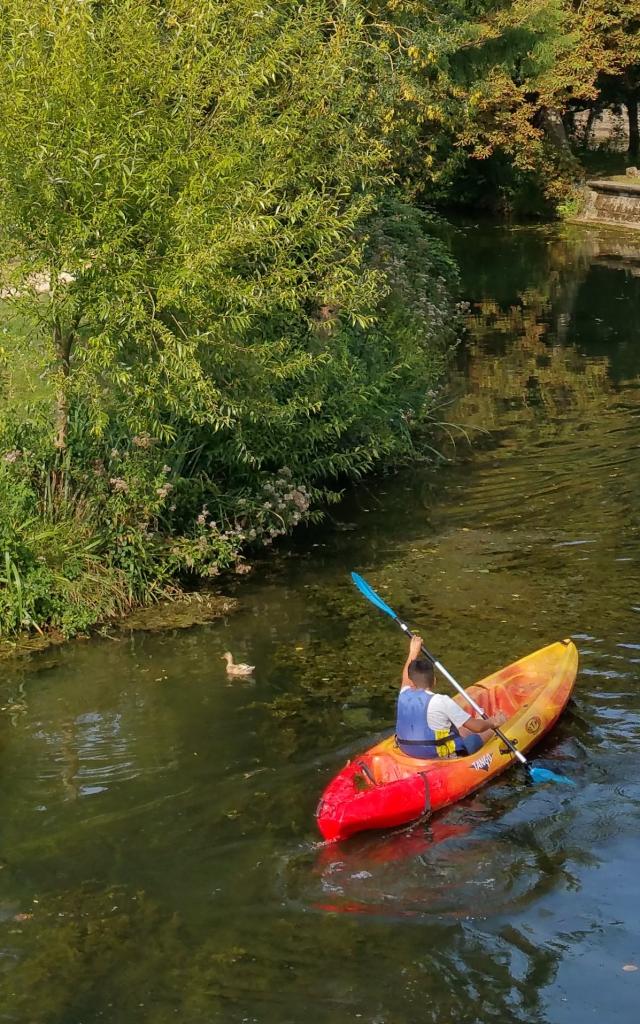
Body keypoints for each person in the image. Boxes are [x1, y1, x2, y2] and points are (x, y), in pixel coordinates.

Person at [395, 635, 506, 759]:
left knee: (460, 729)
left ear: (412, 682)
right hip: (438, 756)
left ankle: (481, 720)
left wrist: (413, 651)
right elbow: (477, 727)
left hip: (408, 750)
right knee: (482, 733)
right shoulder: (441, 701)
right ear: (434, 681)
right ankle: (500, 723)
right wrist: (493, 722)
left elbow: (405, 677)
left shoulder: (404, 694)